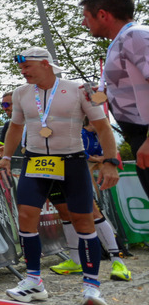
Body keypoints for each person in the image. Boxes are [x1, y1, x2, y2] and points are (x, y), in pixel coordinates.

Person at [0, 46, 119, 305]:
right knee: (26, 215)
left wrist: (110, 161)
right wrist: (6, 156)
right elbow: (16, 127)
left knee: (83, 220)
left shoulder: (80, 89)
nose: (22, 71)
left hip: (72, 161)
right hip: (35, 160)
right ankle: (34, 281)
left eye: (27, 66)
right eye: (21, 67)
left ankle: (92, 285)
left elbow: (102, 127)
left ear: (45, 64)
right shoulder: (20, 93)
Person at [80, 0, 149, 198]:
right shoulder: (121, 41)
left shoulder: (134, 35)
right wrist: (101, 94)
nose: (83, 23)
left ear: (102, 15)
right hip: (138, 137)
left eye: (86, 17)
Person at [47, 119, 132, 281]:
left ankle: (117, 262)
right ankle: (75, 261)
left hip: (74, 167)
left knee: (93, 213)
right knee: (65, 214)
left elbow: (96, 148)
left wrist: (104, 161)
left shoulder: (86, 130)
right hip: (49, 166)